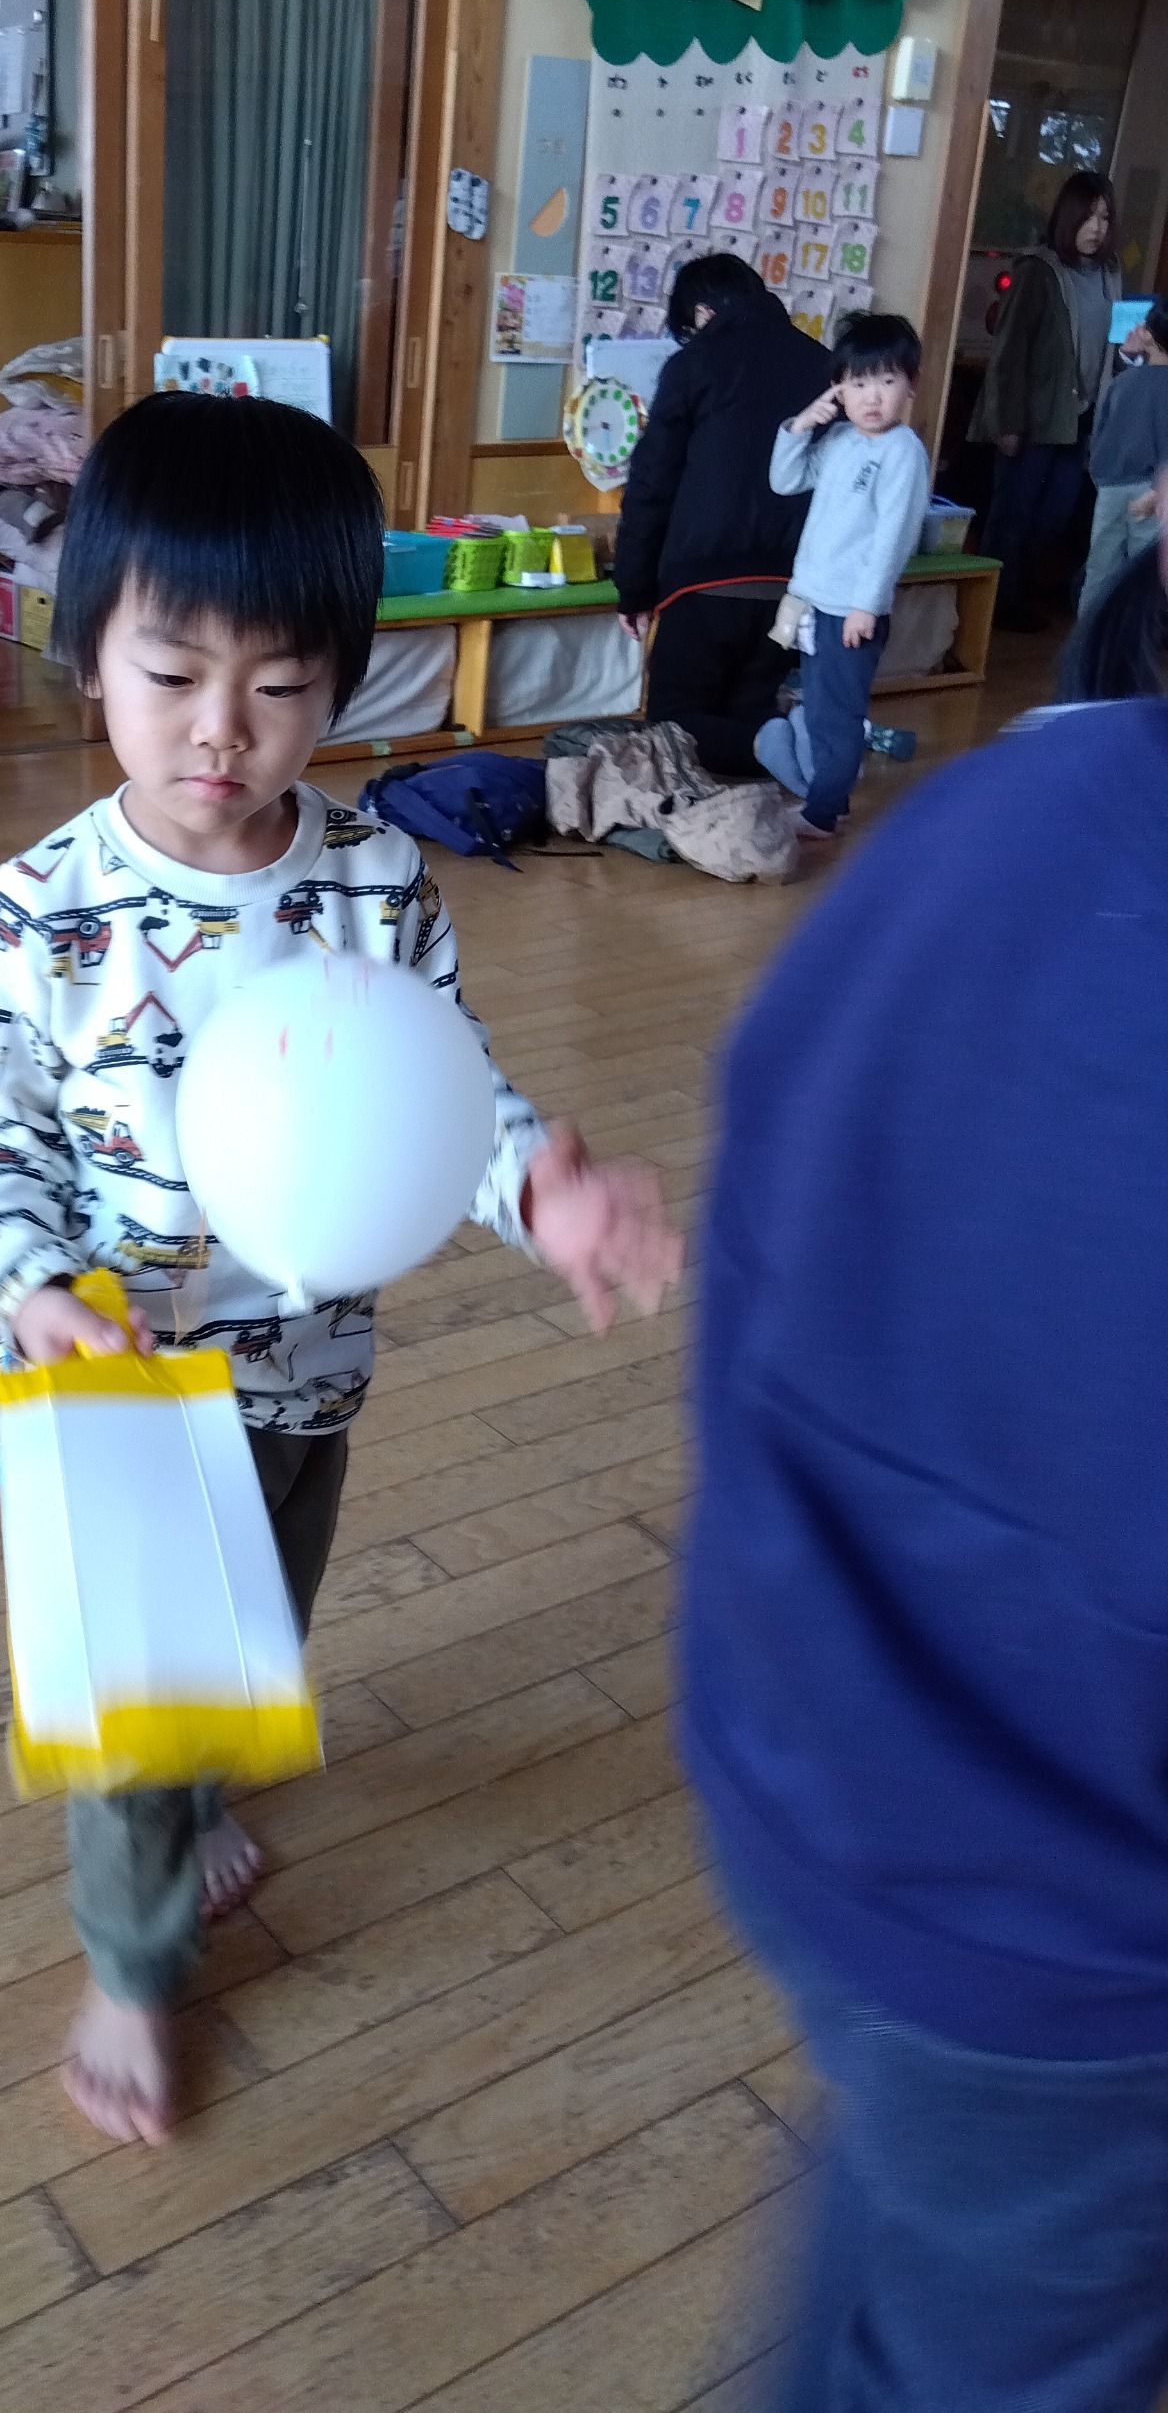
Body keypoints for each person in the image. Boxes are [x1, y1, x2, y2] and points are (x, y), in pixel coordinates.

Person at [0, 391, 682, 2144]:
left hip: (306, 1367)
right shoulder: (46, 903)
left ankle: (204, 1793)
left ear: (340, 683)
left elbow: (445, 1093)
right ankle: (132, 1966)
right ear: (88, 654)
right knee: (141, 1702)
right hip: (120, 1382)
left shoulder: (374, 880)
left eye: (279, 686)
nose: (222, 728)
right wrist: (33, 1284)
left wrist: (541, 1188)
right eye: (172, 673)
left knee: (259, 1622)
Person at [682, 524, 1168, 2408]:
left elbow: (768, 1235)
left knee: (909, 2195)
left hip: (804, 1775)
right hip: (1070, 1962)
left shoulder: (973, 826)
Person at [613, 252, 832, 777]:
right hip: (794, 584)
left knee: (672, 726)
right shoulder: (824, 365)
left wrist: (634, 589)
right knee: (749, 711)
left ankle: (767, 746)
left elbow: (652, 484)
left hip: (704, 579)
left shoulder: (694, 366)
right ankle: (785, 746)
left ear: (702, 312)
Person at [755, 314, 932, 841]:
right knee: (819, 707)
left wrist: (867, 605)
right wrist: (799, 426)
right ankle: (827, 793)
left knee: (837, 714)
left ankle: (823, 813)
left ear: (911, 385)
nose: (872, 396)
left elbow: (894, 536)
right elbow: (785, 480)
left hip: (850, 610)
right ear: (838, 389)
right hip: (814, 601)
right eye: (858, 383)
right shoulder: (838, 440)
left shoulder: (902, 451)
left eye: (887, 380)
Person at [969, 168, 1123, 631]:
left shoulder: (1110, 274)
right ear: (1067, 216)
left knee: (1055, 512)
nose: (1096, 228)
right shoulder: (1037, 271)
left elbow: (1111, 344)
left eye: (1105, 218)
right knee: (1012, 512)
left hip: (1081, 417)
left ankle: (1021, 589)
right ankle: (997, 605)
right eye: (1088, 217)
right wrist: (1007, 422)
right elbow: (1009, 352)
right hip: (1033, 417)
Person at [1077, 301, 1168, 624]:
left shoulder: (1123, 383)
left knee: (1100, 568)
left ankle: (1087, 635)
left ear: (1148, 335)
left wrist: (1101, 477)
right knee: (1146, 577)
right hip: (1155, 492)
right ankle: (1140, 640)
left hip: (1111, 487)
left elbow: (1100, 436)